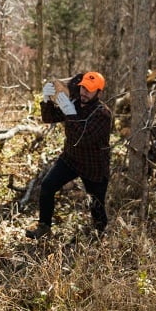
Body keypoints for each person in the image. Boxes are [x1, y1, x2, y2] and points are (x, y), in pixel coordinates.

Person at [25, 72, 112, 241]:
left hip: (94, 166)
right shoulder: (75, 103)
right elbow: (48, 118)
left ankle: (99, 236)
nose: (84, 93)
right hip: (71, 159)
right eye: (83, 88)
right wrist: (46, 100)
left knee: (97, 205)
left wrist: (70, 113)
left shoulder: (102, 114)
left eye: (90, 90)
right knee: (48, 186)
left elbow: (82, 138)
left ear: (99, 93)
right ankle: (44, 226)